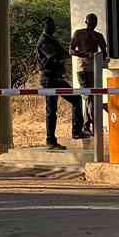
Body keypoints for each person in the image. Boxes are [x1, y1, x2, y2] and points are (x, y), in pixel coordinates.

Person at [35, 16, 84, 149]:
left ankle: (77, 132)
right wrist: (60, 56)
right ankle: (50, 140)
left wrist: (61, 56)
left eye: (53, 25)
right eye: (51, 25)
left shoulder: (51, 40)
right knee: (51, 110)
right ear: (45, 27)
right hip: (49, 80)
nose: (54, 27)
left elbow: (65, 54)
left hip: (57, 78)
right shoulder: (44, 41)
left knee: (76, 99)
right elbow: (56, 56)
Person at [69, 13, 108, 94]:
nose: (92, 25)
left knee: (94, 93)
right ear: (86, 22)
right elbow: (71, 50)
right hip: (82, 68)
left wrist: (99, 58)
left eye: (94, 23)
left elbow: (104, 53)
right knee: (87, 93)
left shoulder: (99, 36)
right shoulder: (78, 33)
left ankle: (92, 106)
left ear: (96, 24)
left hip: (94, 69)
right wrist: (85, 54)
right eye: (90, 23)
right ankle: (91, 106)